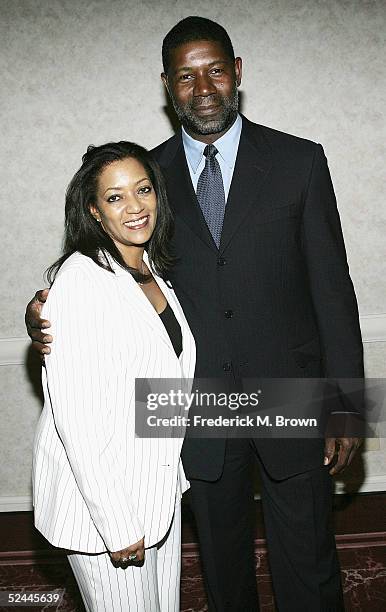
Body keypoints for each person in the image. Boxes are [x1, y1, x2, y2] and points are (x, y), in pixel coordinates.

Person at [26, 17, 363, 612]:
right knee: (222, 565)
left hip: (290, 395)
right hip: (195, 407)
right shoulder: (146, 179)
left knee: (309, 560)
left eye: (213, 70)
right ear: (167, 86)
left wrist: (344, 406)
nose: (201, 87)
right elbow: (104, 259)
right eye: (185, 76)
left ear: (237, 73)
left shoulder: (300, 161)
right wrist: (46, 306)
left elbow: (334, 292)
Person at [32, 141, 196, 612]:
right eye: (115, 197)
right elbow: (78, 421)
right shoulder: (82, 281)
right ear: (94, 211)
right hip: (108, 510)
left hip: (157, 490)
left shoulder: (149, 271)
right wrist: (118, 522)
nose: (135, 207)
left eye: (143, 190)